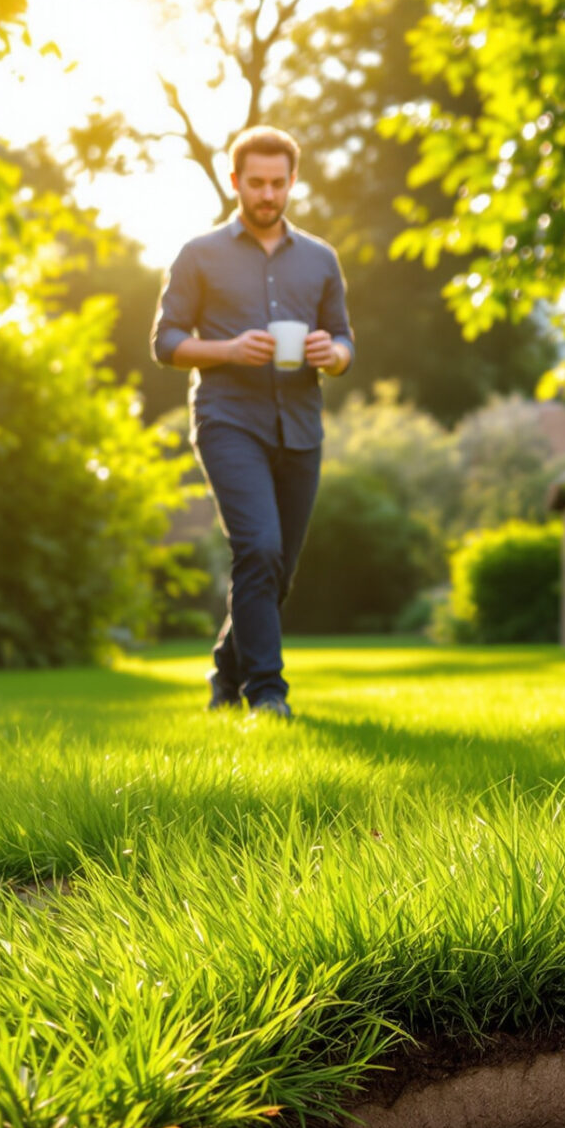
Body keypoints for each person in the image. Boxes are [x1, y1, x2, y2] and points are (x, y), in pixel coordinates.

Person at [154, 126, 354, 718]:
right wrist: (228, 350)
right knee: (258, 548)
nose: (268, 195)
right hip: (227, 421)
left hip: (301, 425)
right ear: (236, 181)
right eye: (256, 183)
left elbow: (344, 339)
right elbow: (164, 342)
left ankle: (226, 670)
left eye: (278, 183)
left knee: (277, 568)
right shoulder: (199, 254)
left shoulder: (321, 259)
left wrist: (333, 356)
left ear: (292, 181)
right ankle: (265, 693)